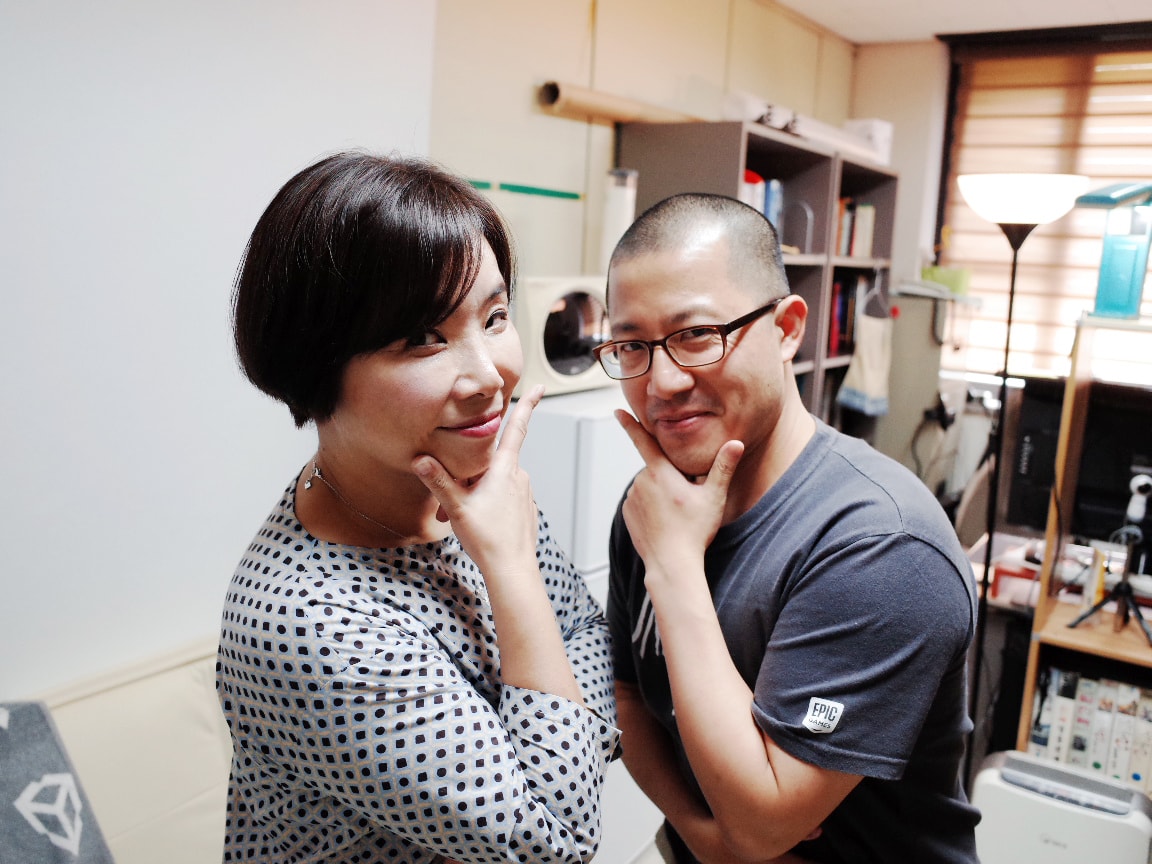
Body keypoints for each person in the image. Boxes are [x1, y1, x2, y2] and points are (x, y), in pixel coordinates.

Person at [217, 151, 620, 864]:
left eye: (495, 317)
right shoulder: (307, 620)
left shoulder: (463, 490)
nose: (489, 375)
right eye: (424, 339)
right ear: (315, 363)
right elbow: (556, 841)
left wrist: (559, 742)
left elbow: (586, 629)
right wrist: (513, 570)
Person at [595, 193, 980, 863]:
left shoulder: (882, 545)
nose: (662, 383)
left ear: (788, 329)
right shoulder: (655, 505)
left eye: (696, 335)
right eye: (632, 346)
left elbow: (762, 826)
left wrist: (676, 568)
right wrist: (701, 835)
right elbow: (626, 697)